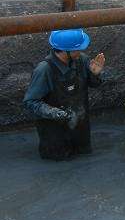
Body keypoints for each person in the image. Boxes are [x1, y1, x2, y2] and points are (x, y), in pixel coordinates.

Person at [24, 29, 105, 160]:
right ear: (67, 51)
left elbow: (94, 84)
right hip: (55, 136)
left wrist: (94, 74)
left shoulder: (82, 60)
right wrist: (56, 113)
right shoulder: (44, 70)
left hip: (80, 130)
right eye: (79, 48)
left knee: (84, 160)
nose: (82, 51)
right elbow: (30, 102)